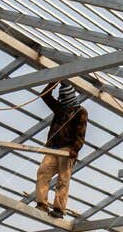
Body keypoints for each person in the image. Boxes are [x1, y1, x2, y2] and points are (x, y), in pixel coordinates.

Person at [35, 81, 87, 217]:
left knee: (63, 179)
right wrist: (54, 82)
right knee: (43, 172)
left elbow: (80, 133)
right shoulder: (60, 109)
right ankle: (42, 204)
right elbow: (45, 96)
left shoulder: (80, 112)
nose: (62, 101)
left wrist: (75, 149)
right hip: (53, 147)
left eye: (64, 98)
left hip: (67, 148)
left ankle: (59, 209)